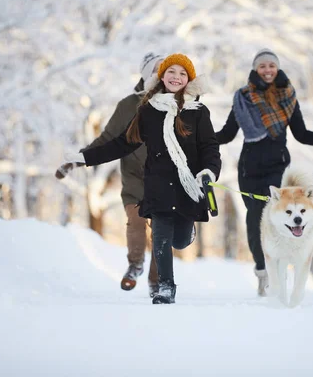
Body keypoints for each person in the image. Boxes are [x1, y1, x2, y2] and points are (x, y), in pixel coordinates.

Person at [57, 53, 221, 304]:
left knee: (178, 240)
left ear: (189, 79)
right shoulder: (148, 110)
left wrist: (208, 171)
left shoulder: (198, 112)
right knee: (161, 236)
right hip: (157, 185)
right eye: (171, 72)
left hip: (187, 187)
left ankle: (186, 234)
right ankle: (165, 286)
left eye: (182, 73)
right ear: (162, 77)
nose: (176, 77)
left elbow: (210, 147)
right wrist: (84, 158)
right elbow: (122, 143)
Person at [215, 48, 313, 296]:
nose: (267, 70)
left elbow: (301, 134)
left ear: (277, 68)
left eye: (272, 65)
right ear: (255, 69)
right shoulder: (243, 98)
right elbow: (227, 134)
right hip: (249, 170)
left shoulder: (288, 97)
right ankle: (263, 272)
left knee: (275, 219)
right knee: (254, 221)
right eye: (262, 66)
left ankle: (278, 268)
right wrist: (197, 140)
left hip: (277, 170)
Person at [57, 52, 164, 297]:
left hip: (165, 179)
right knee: (136, 221)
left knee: (162, 229)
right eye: (157, 68)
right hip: (136, 177)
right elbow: (107, 139)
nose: (163, 72)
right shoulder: (129, 105)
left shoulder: (178, 102)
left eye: (165, 67)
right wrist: (78, 160)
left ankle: (157, 282)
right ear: (147, 74)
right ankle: (135, 264)